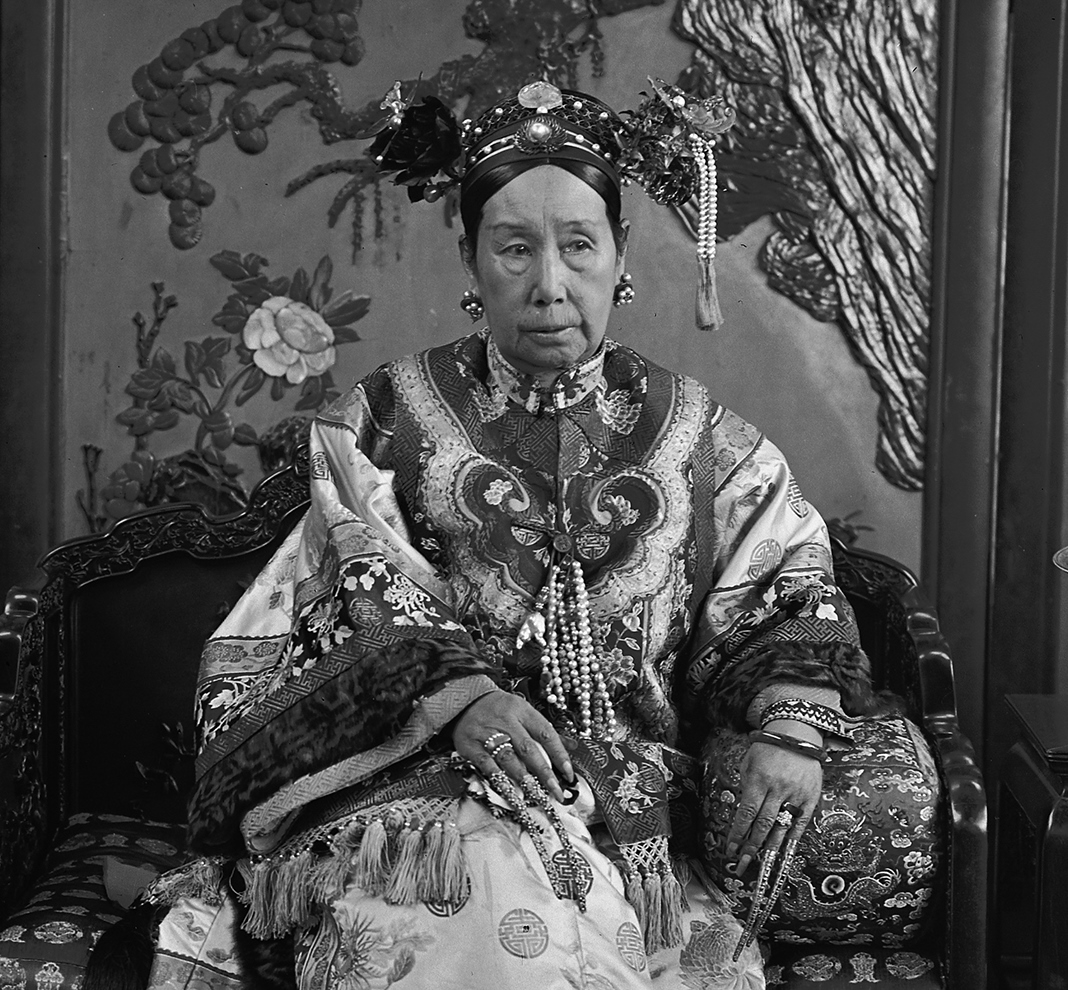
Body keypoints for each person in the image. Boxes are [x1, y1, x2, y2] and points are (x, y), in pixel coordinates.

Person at [143, 82, 942, 990]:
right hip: (418, 785)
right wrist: (462, 701)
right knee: (479, 905)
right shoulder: (377, 422)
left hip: (624, 794)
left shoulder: (701, 437)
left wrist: (792, 726)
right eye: (515, 249)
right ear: (472, 262)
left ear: (620, 256)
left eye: (577, 247)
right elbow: (352, 587)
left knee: (583, 916)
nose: (549, 285)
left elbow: (784, 585)